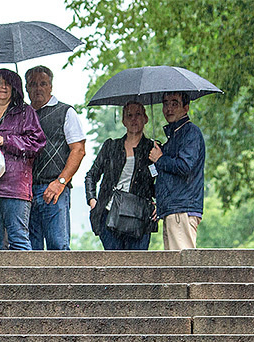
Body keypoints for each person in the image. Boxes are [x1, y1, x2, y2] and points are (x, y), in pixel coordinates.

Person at [0, 69, 46, 250]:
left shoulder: (26, 113)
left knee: (18, 239)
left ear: (14, 88)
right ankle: (0, 279)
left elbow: (37, 143)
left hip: (15, 188)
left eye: (7, 83)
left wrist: (6, 141)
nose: (3, 87)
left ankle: (23, 279)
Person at [25, 66, 87, 250]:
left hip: (54, 189)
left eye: (43, 83)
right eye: (33, 84)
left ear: (51, 86)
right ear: (26, 88)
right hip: (25, 191)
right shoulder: (22, 115)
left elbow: (79, 150)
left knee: (58, 247)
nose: (38, 88)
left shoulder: (65, 112)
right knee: (29, 252)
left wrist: (60, 182)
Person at [84, 101, 157, 250]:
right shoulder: (111, 146)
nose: (134, 119)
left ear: (146, 118)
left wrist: (159, 202)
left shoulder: (152, 149)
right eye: (129, 115)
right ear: (123, 120)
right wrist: (93, 201)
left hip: (140, 216)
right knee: (113, 266)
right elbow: (91, 175)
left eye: (138, 114)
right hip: (110, 215)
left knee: (137, 267)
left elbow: (162, 181)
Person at [149, 91, 206, 250]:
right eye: (166, 104)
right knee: (174, 266)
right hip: (172, 209)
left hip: (182, 209)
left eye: (175, 103)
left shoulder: (190, 133)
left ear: (186, 107)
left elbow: (185, 166)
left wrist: (160, 159)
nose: (169, 108)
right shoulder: (174, 136)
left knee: (182, 267)